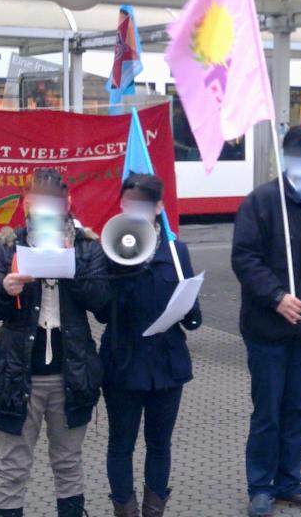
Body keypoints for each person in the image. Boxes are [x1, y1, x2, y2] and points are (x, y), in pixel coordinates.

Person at [0, 169, 110, 517]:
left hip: (71, 375)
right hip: (18, 375)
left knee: (68, 465)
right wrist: (3, 290)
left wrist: (74, 267)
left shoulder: (86, 246)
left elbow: (104, 306)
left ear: (67, 204)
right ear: (26, 204)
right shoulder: (8, 245)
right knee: (13, 468)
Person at [231, 125, 301, 517]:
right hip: (267, 329)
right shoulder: (261, 202)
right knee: (268, 411)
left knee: (298, 408)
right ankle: (260, 486)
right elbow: (244, 258)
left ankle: (289, 481)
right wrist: (276, 297)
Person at [96, 173, 202, 517]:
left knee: (159, 444)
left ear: (158, 208)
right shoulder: (110, 249)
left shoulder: (176, 250)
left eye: (143, 204)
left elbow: (193, 319)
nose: (135, 210)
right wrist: (125, 268)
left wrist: (188, 306)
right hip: (122, 364)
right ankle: (124, 511)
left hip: (166, 367)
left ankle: (153, 510)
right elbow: (101, 313)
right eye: (129, 204)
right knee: (121, 444)